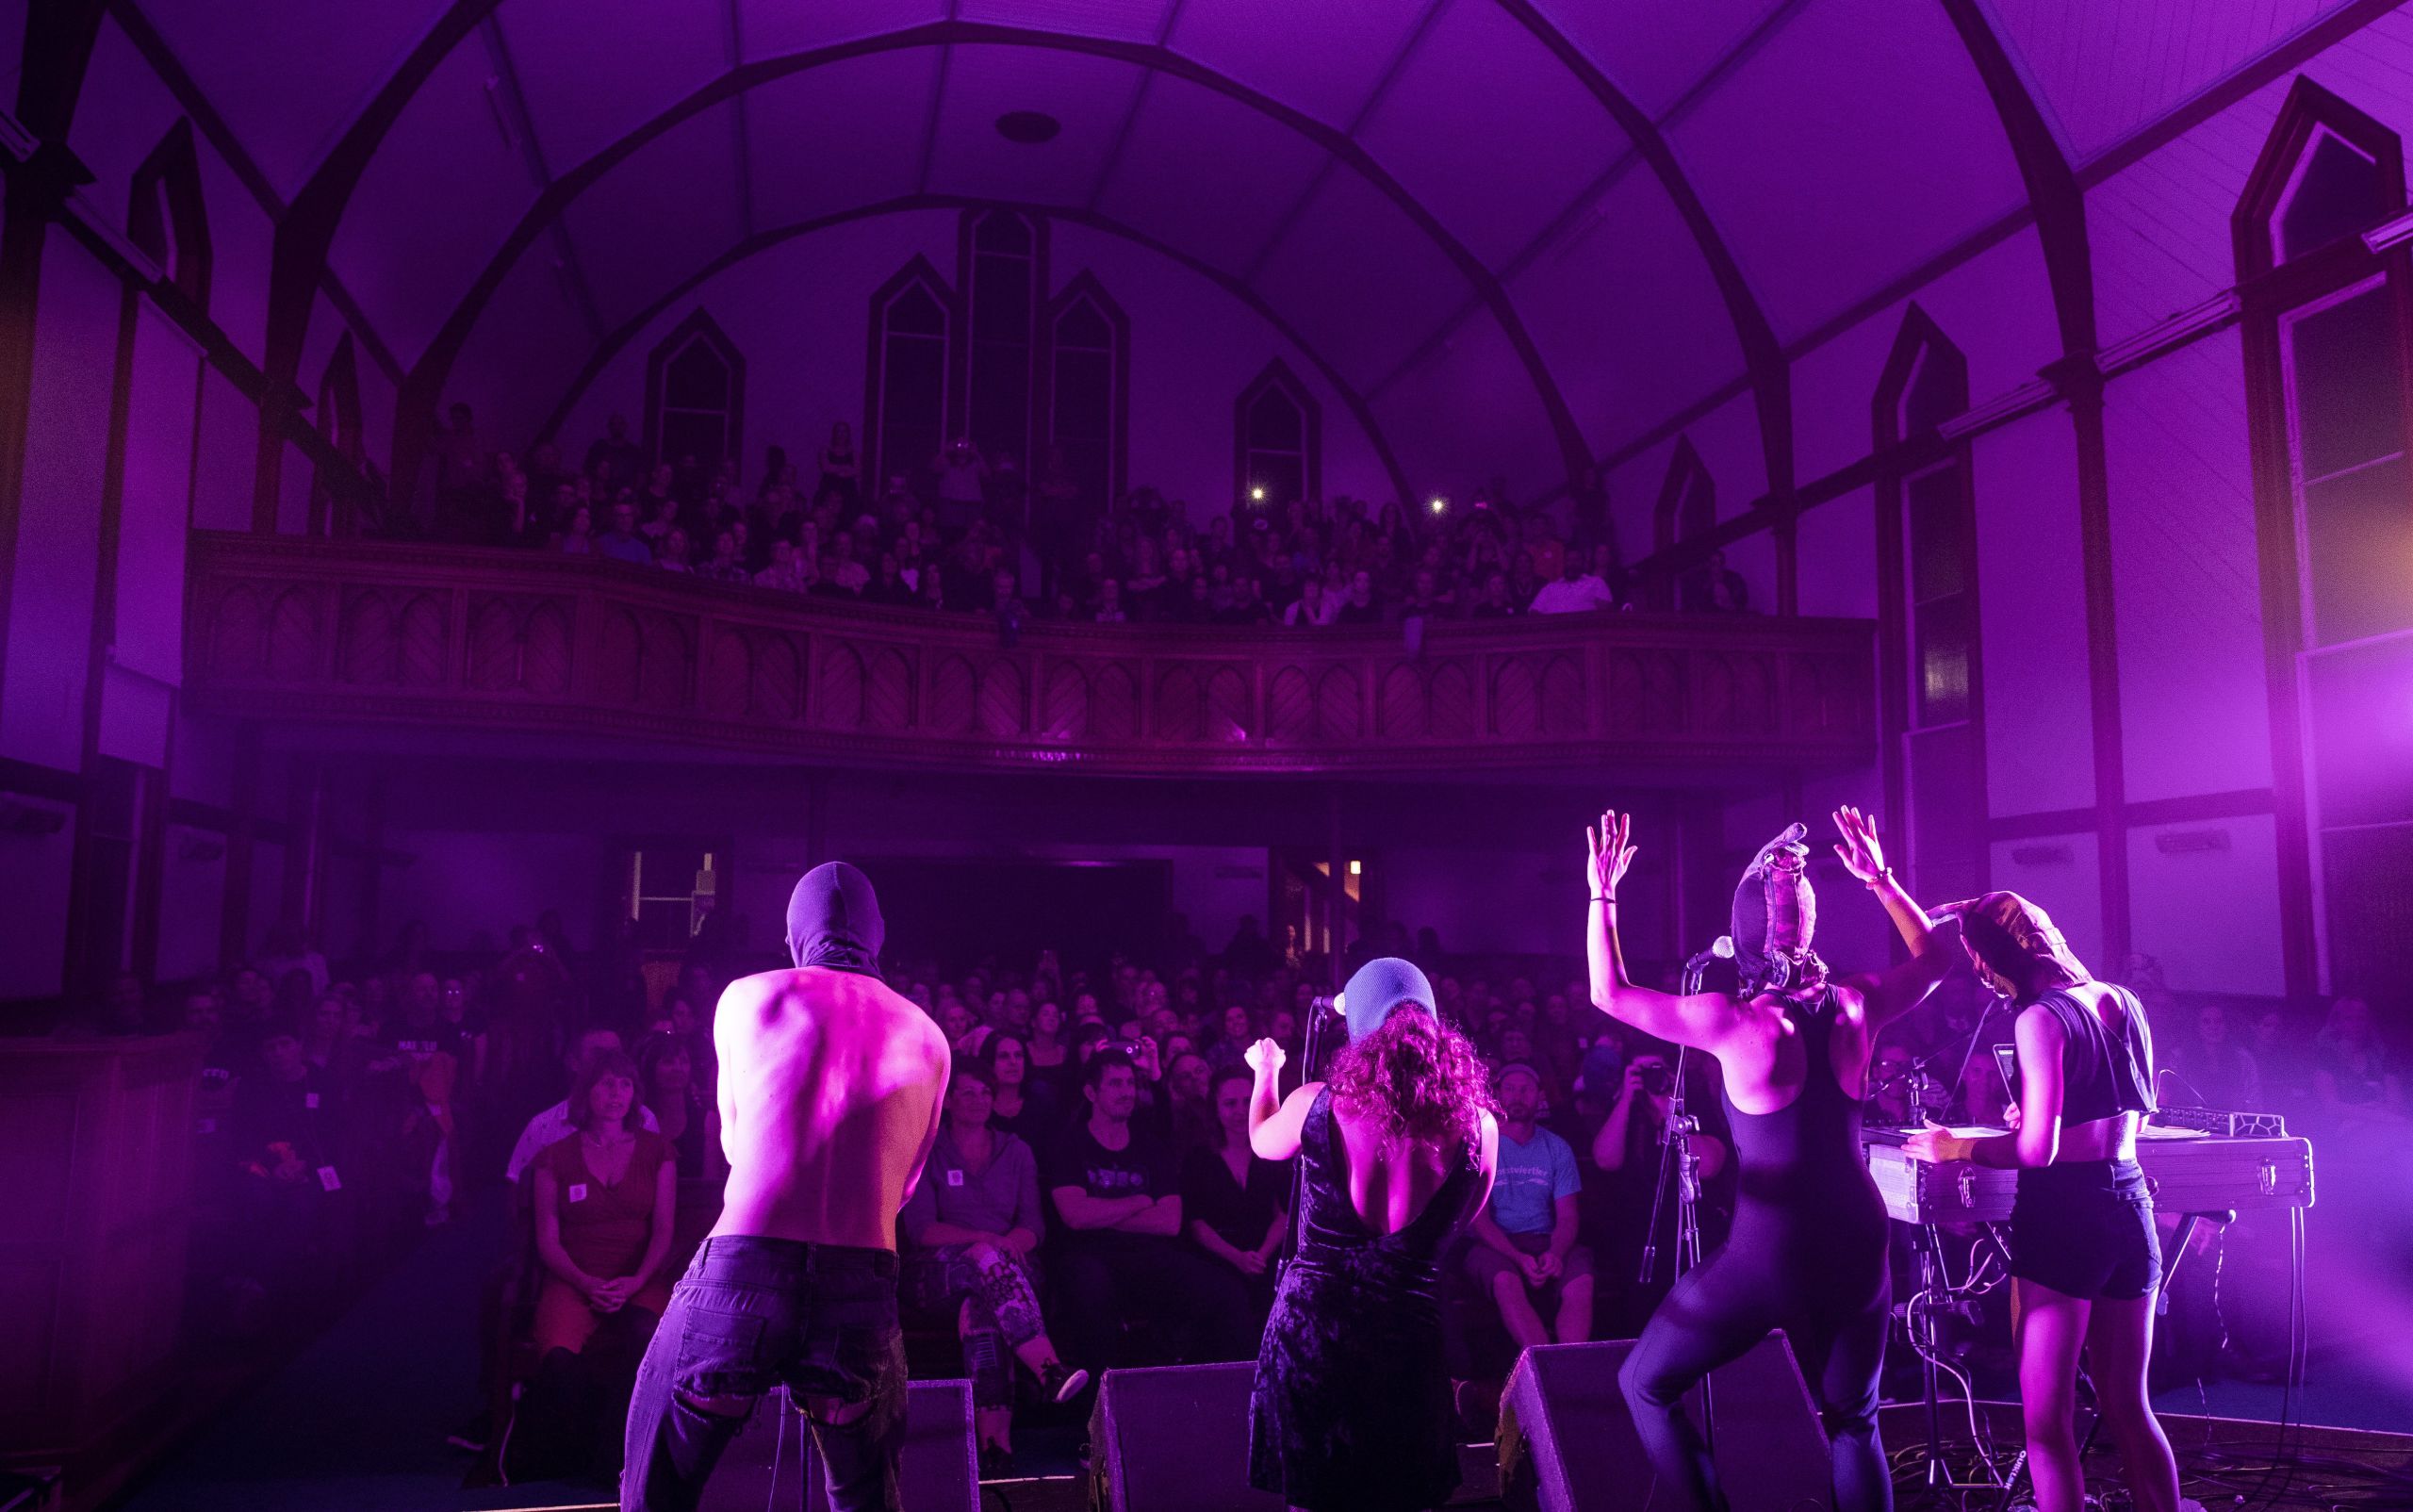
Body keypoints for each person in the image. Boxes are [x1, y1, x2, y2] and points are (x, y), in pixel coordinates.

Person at [1586, 807, 1952, 1512]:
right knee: (1855, 1421)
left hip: (1772, 1248)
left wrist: (1604, 893)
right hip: (1858, 1235)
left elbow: (1609, 992)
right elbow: (1936, 960)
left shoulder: (1731, 1020)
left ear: (1745, 932)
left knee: (1644, 1383)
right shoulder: (1858, 1003)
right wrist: (1881, 880)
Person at [622, 863, 949, 1512]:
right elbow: (906, 1185)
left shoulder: (749, 998)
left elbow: (734, 1145)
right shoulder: (929, 1036)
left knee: (654, 1493)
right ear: (878, 936)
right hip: (860, 1277)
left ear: (795, 936)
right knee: (866, 1500)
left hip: (747, 1265)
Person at [1903, 893, 2180, 1512]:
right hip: (2129, 1206)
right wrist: (2037, 1113)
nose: (1979, 972)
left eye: (1978, 958)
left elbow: (2037, 1151)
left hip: (2064, 1219)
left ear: (1995, 958)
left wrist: (1954, 1148)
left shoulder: (2038, 1018)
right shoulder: (2122, 1000)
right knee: (2129, 1407)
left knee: (2047, 1423)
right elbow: (2129, 1110)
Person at [1245, 956, 1499, 1512]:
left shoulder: (1317, 1104)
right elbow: (1460, 1220)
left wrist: (1266, 1071)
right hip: (1406, 1342)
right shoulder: (1480, 1125)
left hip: (1313, 1338)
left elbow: (1262, 1141)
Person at [900, 1060, 1086, 1477]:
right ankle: (1048, 1368)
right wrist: (985, 1241)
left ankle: (994, 1449)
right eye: (968, 1092)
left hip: (1008, 1271)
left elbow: (1034, 1227)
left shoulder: (1016, 1150)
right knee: (983, 1260)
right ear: (948, 1101)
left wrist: (999, 1247)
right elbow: (922, 1230)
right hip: (937, 1272)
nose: (979, 1100)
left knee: (981, 1312)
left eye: (986, 1093)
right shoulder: (928, 1151)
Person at [517, 1050, 678, 1479]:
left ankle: (616, 1459)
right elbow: (547, 1240)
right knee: (558, 1360)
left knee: (645, 1340)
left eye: (625, 1084)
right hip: (573, 1277)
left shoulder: (657, 1151)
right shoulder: (554, 1157)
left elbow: (664, 1230)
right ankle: (582, 1449)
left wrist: (636, 1281)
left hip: (640, 1276)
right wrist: (585, 1282)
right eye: (606, 1083)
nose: (616, 1093)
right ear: (586, 1092)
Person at [1044, 1050, 1255, 1372]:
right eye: (1115, 1084)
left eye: (1130, 1083)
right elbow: (1074, 1215)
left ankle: (1228, 1388)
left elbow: (1170, 1221)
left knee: (1226, 1293)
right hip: (1089, 1255)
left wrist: (1102, 1212)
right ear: (1091, 1092)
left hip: (1150, 1255)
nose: (1126, 1092)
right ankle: (1100, 1397)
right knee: (1090, 1291)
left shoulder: (1150, 1146)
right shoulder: (1070, 1145)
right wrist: (1138, 1202)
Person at [1465, 1062, 1594, 1349]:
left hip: (1546, 1240)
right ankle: (1543, 1367)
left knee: (1581, 1280)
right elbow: (1480, 1221)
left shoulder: (1557, 1148)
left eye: (1525, 1089)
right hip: (1495, 1244)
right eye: (1510, 1089)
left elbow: (1568, 1216)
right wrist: (1517, 1257)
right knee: (1506, 1282)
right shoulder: (1480, 1146)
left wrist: (1556, 1253)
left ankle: (1570, 1364)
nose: (1517, 1096)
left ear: (1540, 1096)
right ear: (1498, 1095)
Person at [1181, 1066, 1289, 1320]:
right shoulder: (1199, 1157)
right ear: (1216, 1108)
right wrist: (1237, 1258)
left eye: (1247, 1101)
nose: (1241, 1111)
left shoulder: (1271, 1151)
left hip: (1264, 1252)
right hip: (1217, 1255)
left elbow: (1284, 1213)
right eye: (1231, 1104)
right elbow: (1196, 1223)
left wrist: (1260, 1256)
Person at [506, 1027, 661, 1184]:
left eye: (615, 1053)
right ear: (574, 1062)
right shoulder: (542, 1127)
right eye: (599, 1054)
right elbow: (517, 1186)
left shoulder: (644, 1119)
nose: (608, 1061)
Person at [635, 1032, 723, 1180]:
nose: (678, 1068)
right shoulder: (638, 1118)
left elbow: (710, 1182)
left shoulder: (707, 1120)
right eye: (668, 1062)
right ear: (651, 1068)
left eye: (684, 1061)